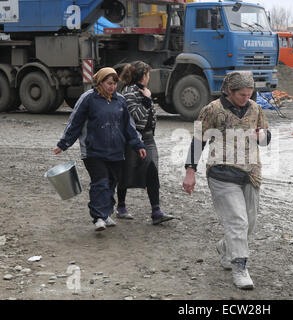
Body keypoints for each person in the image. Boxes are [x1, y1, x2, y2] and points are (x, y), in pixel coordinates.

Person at [182, 71, 271, 290]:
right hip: (222, 174)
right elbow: (197, 140)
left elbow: (266, 137)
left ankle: (225, 247)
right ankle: (240, 267)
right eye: (242, 94)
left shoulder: (255, 109)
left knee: (250, 223)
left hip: (250, 174)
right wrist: (190, 171)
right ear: (229, 91)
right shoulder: (211, 110)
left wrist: (262, 136)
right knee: (237, 221)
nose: (246, 98)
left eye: (249, 94)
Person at [53, 68, 146, 232]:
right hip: (93, 151)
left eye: (115, 83)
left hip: (116, 151)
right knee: (100, 181)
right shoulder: (88, 99)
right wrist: (63, 144)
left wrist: (138, 145)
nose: (112, 87)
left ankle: (106, 213)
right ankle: (98, 217)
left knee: (111, 183)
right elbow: (75, 122)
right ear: (100, 82)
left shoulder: (120, 101)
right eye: (109, 83)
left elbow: (128, 126)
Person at [116, 61, 174, 225]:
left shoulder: (143, 91)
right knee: (126, 172)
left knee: (152, 170)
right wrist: (148, 101)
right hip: (133, 139)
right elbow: (136, 117)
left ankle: (156, 211)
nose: (149, 77)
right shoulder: (128, 92)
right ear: (142, 76)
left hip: (148, 138)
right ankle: (121, 206)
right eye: (147, 74)